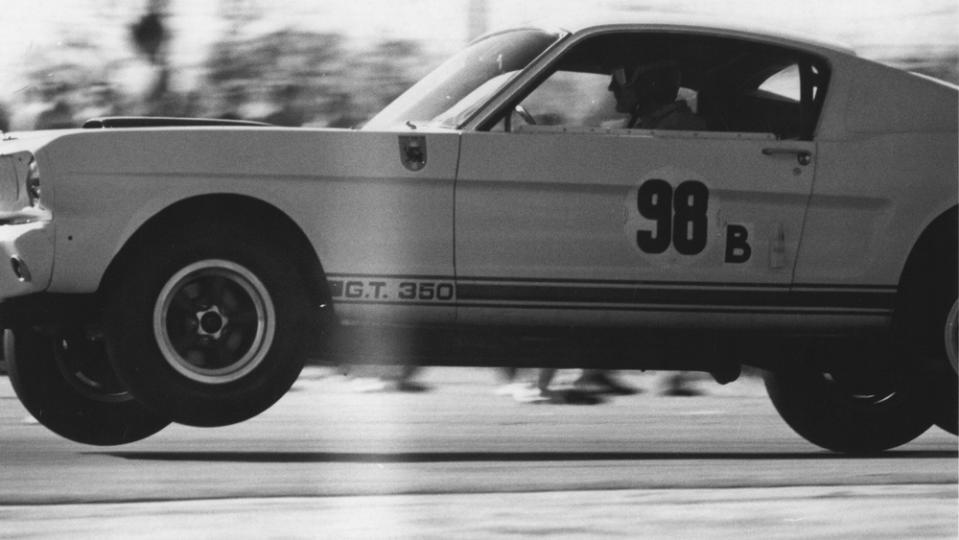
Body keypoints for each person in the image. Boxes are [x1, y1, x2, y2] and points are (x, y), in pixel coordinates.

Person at [608, 60, 707, 131]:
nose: (611, 87)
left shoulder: (676, 129)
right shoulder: (653, 124)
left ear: (650, 83)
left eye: (622, 77)